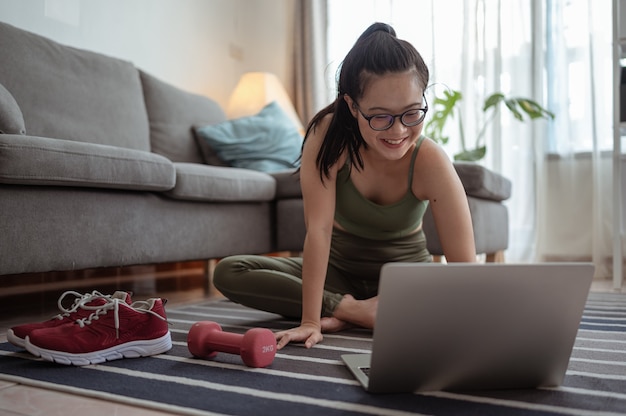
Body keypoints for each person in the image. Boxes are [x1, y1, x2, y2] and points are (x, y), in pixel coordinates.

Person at [213, 22, 476, 350]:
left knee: (461, 299)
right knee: (230, 271)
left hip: (406, 284)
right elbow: (319, 231)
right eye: (380, 117)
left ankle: (358, 311)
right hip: (337, 274)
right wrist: (311, 321)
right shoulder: (328, 136)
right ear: (352, 106)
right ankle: (355, 311)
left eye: (412, 113)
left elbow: (466, 269)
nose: (397, 132)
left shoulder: (431, 160)